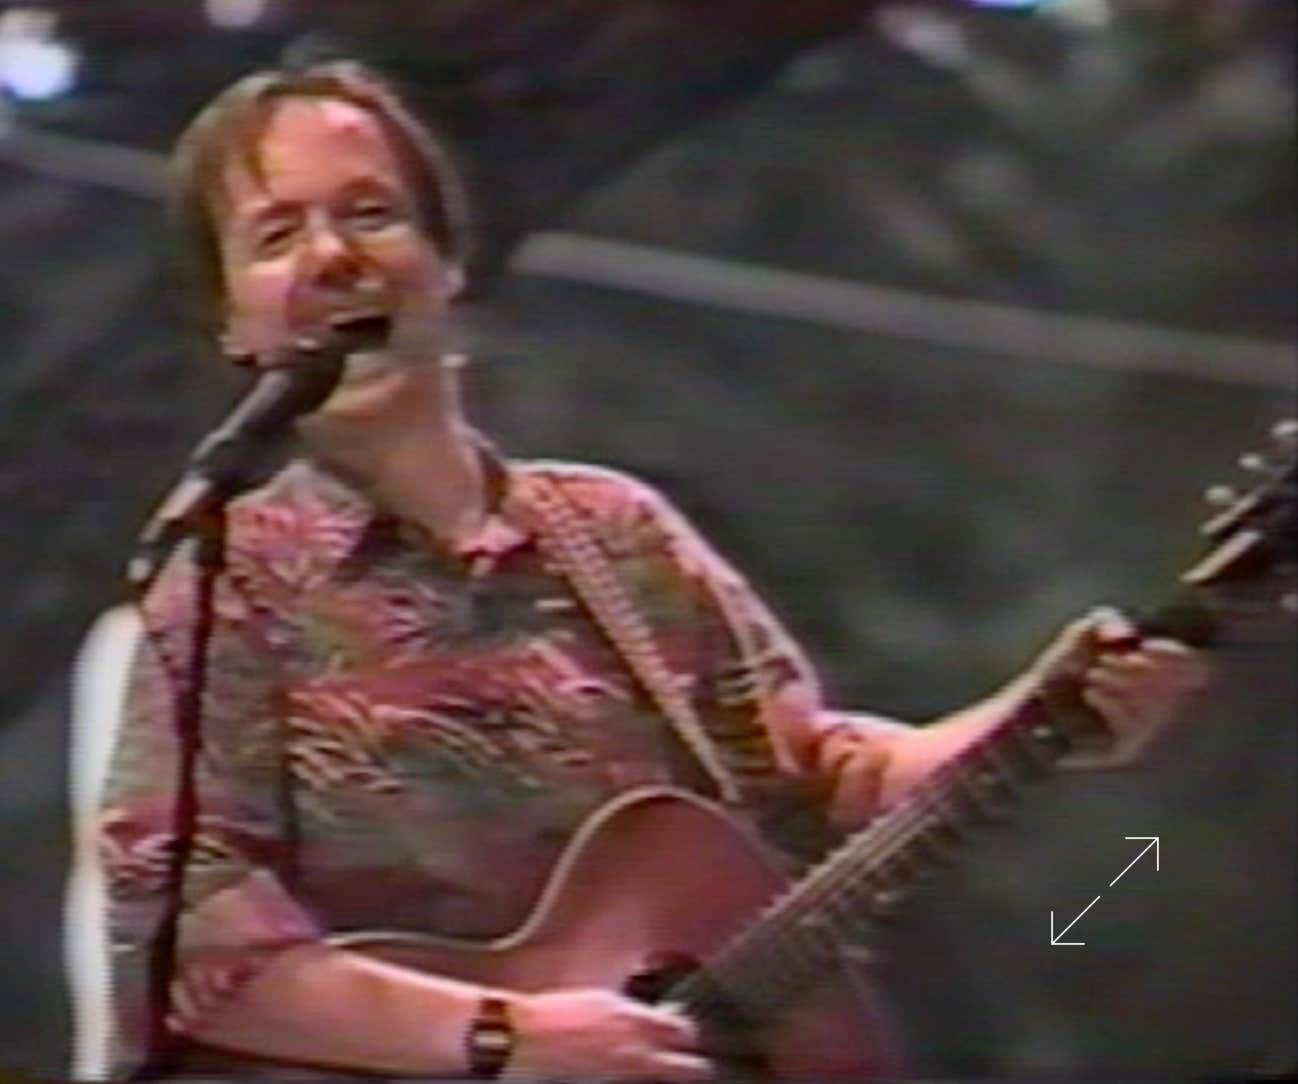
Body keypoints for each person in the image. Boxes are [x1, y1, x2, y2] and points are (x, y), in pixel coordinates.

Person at [97, 59, 1206, 1082]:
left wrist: (1047, 713)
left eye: (371, 213)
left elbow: (820, 782)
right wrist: (505, 1034)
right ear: (234, 323)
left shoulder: (613, 529)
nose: (333, 255)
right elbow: (182, 929)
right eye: (277, 234)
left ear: (445, 267)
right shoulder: (226, 577)